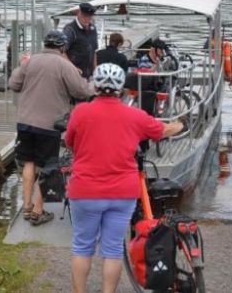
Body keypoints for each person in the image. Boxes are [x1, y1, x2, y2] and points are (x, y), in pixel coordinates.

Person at [65, 63, 185, 293]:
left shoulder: (80, 112)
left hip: (86, 190)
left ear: (96, 86)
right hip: (122, 192)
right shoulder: (134, 115)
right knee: (112, 249)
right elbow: (162, 131)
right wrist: (180, 124)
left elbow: (69, 141)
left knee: (82, 246)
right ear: (121, 88)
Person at [9, 30, 94, 226]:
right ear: (63, 47)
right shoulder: (65, 65)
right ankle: (39, 212)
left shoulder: (31, 61)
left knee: (28, 162)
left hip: (25, 121)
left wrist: (21, 66)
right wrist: (94, 86)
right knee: (47, 167)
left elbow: (14, 84)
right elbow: (80, 91)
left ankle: (27, 206)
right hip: (49, 125)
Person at [63, 2, 98, 79]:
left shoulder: (93, 29)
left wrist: (96, 70)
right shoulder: (70, 30)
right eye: (84, 16)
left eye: (89, 17)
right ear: (79, 13)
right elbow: (62, 51)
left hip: (89, 75)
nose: (86, 19)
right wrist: (73, 69)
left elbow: (94, 51)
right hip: (74, 75)